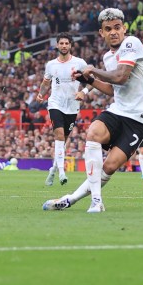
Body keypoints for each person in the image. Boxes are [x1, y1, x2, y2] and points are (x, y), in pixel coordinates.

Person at [43, 8, 143, 213]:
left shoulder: (132, 43)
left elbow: (120, 77)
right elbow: (114, 90)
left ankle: (71, 199)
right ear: (101, 33)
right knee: (93, 132)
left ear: (124, 29)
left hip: (140, 118)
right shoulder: (108, 57)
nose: (113, 32)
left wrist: (92, 71)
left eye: (117, 27)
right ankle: (97, 201)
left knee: (109, 167)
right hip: (119, 110)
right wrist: (89, 80)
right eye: (108, 29)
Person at [35, 33, 88, 187]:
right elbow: (46, 83)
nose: (64, 46)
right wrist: (40, 94)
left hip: (72, 106)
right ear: (57, 45)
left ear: (70, 45)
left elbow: (92, 82)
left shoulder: (79, 63)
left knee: (63, 141)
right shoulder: (51, 65)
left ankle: (53, 169)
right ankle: (62, 172)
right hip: (55, 103)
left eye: (67, 43)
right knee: (58, 135)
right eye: (61, 43)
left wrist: (82, 92)